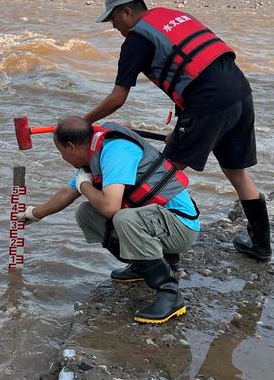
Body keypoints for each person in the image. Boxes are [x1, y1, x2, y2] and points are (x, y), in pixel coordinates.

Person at [83, 0, 271, 262]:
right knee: (236, 172)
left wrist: (84, 121)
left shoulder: (136, 40)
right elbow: (194, 68)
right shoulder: (172, 18)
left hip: (209, 101)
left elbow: (118, 97)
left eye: (113, 19)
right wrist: (179, 126)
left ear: (126, 12)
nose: (114, 27)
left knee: (160, 175)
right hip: (239, 91)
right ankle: (261, 246)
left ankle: (164, 255)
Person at [21, 116, 200, 324]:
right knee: (86, 213)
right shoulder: (93, 155)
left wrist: (85, 186)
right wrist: (34, 214)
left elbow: (110, 207)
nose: (64, 159)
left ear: (70, 147)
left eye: (61, 153)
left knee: (123, 218)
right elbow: (67, 193)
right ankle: (143, 266)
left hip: (181, 225)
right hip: (158, 223)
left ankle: (169, 294)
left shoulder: (115, 152)